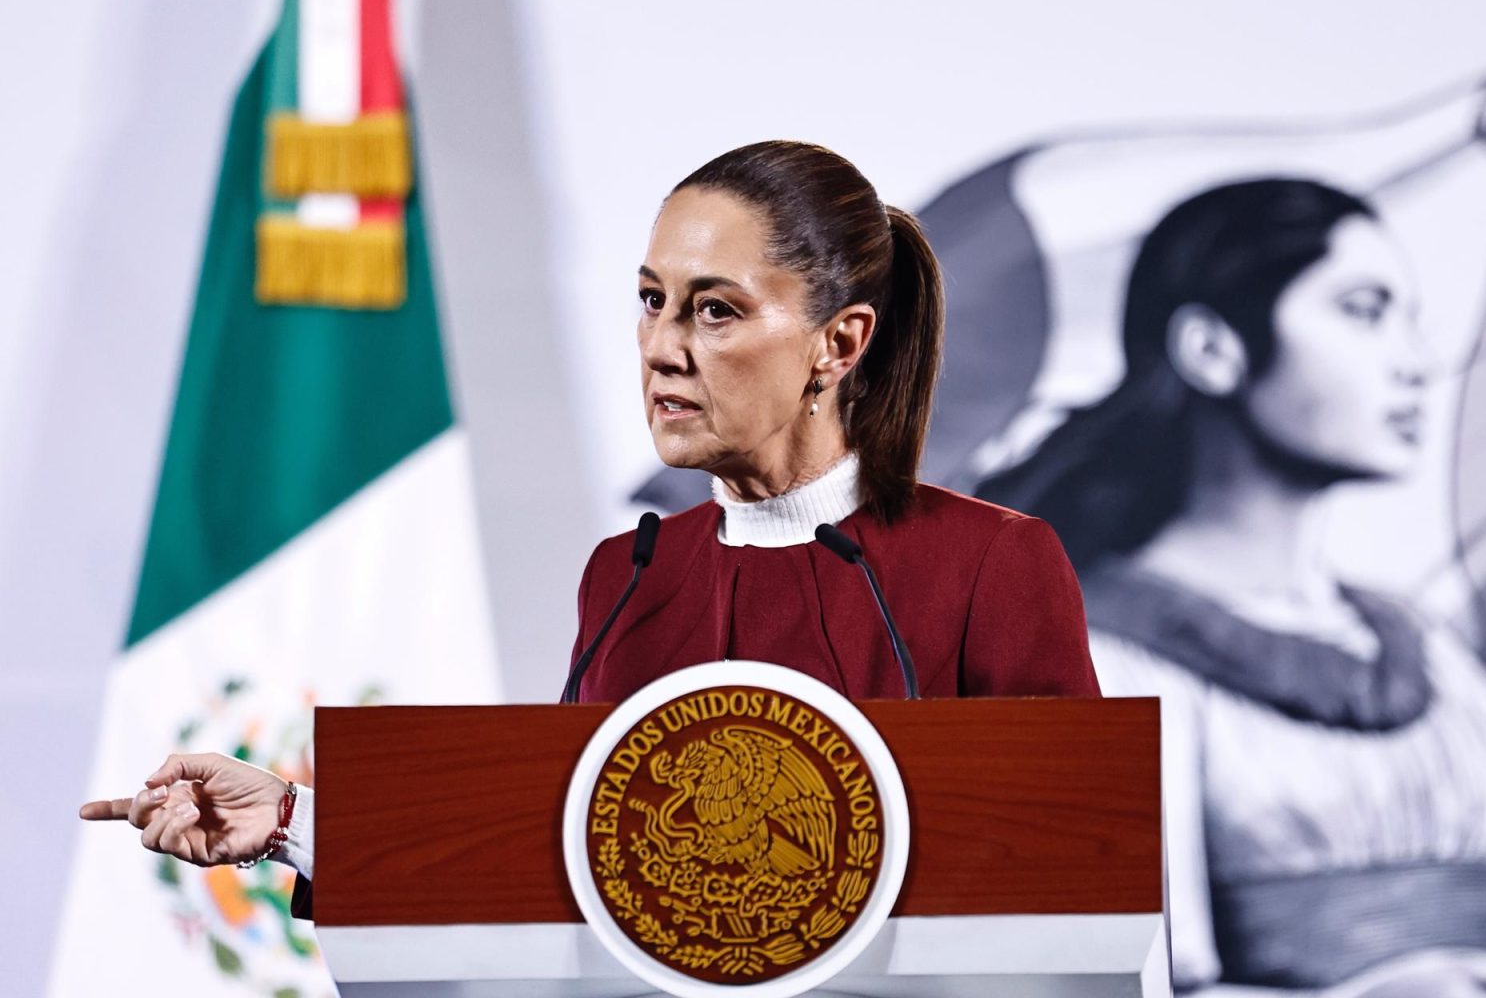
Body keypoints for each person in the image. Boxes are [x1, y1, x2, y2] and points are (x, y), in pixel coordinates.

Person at [80, 141, 1101, 911]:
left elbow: (1076, 878)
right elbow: (563, 868)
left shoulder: (990, 564)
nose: (660, 348)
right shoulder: (630, 574)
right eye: (652, 302)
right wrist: (296, 825)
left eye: (715, 311)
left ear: (839, 342)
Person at [978, 178, 1486, 996]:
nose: (1417, 363)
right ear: (1213, 349)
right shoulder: (1092, 660)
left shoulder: (1426, 651)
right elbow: (1119, 986)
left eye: (1410, 320)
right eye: (1364, 310)